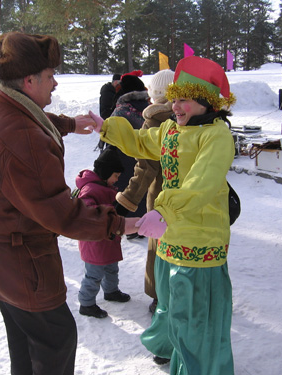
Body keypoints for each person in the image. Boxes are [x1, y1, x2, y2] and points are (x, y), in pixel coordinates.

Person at [0, 32, 138, 375]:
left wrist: (69, 124)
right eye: (49, 76)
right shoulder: (22, 137)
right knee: (55, 341)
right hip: (21, 263)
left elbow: (30, 121)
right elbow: (62, 213)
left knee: (25, 341)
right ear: (29, 80)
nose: (55, 83)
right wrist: (123, 224)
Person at [90, 55, 237, 375]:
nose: (177, 107)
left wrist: (165, 210)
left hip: (200, 240)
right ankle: (169, 344)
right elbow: (142, 142)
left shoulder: (216, 136)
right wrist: (109, 128)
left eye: (184, 100)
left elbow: (203, 183)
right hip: (170, 236)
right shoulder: (171, 128)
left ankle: (197, 367)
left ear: (206, 102)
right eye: (174, 99)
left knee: (195, 315)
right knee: (170, 302)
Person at [115, 69, 175, 313]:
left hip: (160, 194)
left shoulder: (154, 119)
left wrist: (127, 200)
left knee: (158, 245)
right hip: (185, 195)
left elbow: (146, 165)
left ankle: (158, 294)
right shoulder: (190, 116)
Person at [76, 147, 131, 319]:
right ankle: (86, 303)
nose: (116, 180)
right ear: (106, 173)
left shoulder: (103, 187)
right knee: (94, 275)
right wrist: (104, 214)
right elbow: (85, 209)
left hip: (107, 239)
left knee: (111, 268)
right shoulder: (90, 190)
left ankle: (111, 291)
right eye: (115, 176)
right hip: (94, 242)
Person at [109, 71, 150, 238]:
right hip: (148, 157)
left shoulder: (120, 112)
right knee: (144, 187)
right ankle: (146, 223)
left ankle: (132, 228)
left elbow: (110, 138)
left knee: (128, 187)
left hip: (124, 158)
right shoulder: (150, 108)